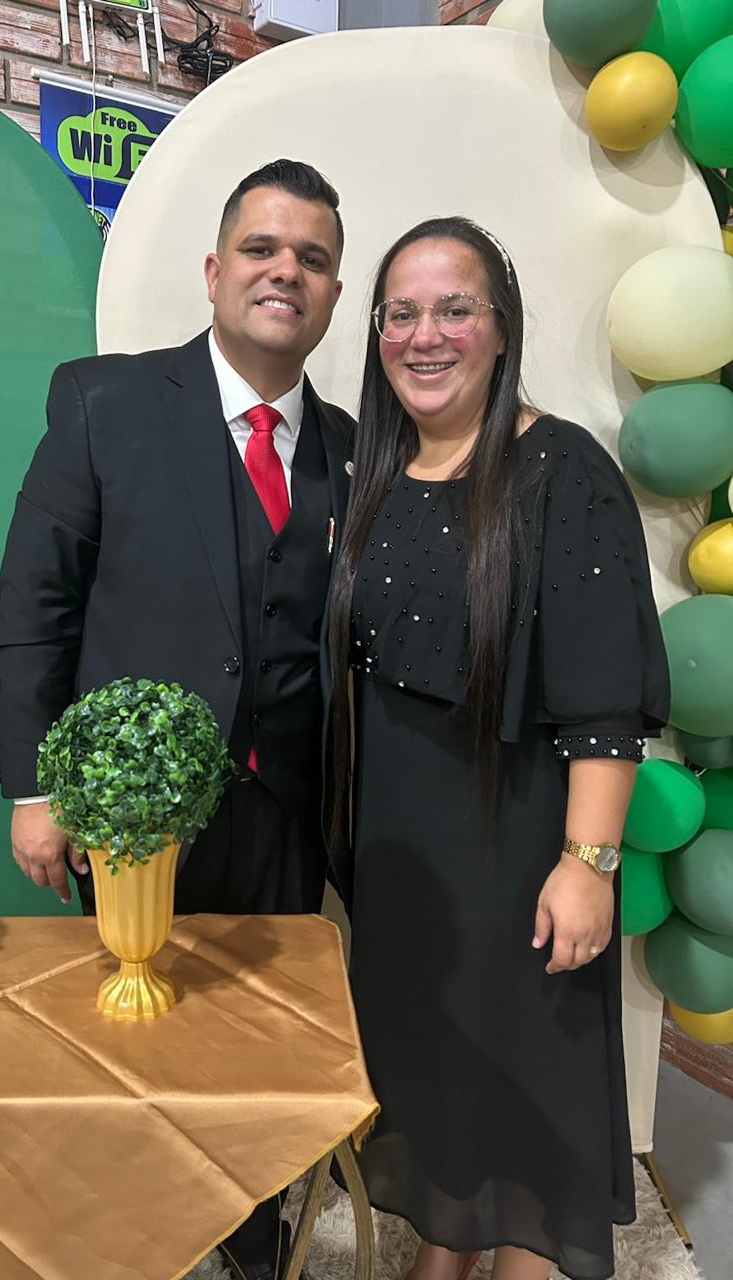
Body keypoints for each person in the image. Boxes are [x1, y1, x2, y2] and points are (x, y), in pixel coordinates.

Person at [0, 159, 353, 1280]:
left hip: (286, 818)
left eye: (312, 258)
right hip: (131, 819)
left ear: (334, 294)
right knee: (135, 1046)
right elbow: (36, 604)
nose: (285, 271)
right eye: (262, 248)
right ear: (213, 269)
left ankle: (248, 1241)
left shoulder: (353, 447)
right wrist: (36, 788)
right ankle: (130, 1241)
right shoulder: (102, 403)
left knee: (257, 1054)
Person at [325, 217, 670, 1280]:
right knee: (437, 1069)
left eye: (454, 308)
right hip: (404, 852)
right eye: (401, 313)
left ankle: (517, 1261)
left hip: (517, 841)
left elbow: (605, 696)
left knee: (520, 1082)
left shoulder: (561, 469)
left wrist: (589, 863)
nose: (425, 335)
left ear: (502, 325)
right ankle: (444, 1251)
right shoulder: (377, 468)